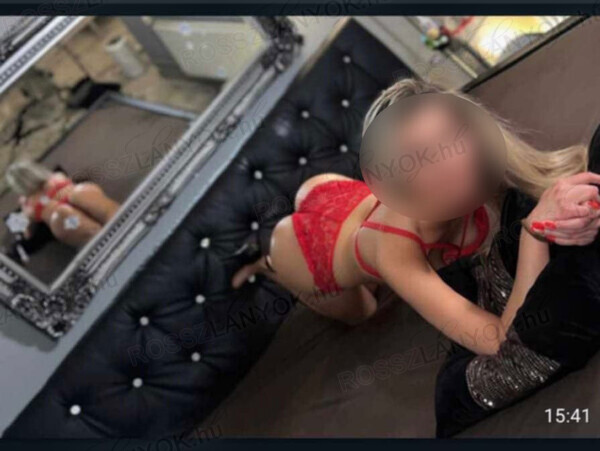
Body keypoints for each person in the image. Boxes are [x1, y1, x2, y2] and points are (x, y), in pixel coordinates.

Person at [232, 79, 600, 431]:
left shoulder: (477, 168)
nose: (451, 160)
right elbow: (497, 339)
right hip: (304, 249)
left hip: (341, 191)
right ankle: (263, 265)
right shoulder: (394, 248)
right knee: (362, 310)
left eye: (452, 135)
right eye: (420, 156)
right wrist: (534, 235)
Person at [5, 161, 120, 248]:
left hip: (66, 219)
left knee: (72, 203)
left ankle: (108, 236)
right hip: (71, 213)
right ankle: (118, 226)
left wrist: (28, 220)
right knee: (69, 206)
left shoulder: (27, 204)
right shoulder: (57, 176)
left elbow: (27, 235)